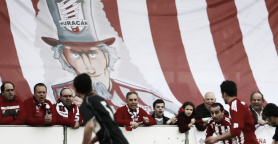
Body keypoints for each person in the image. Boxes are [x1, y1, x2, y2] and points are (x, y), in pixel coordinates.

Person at [41, 0, 178, 114]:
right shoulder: (61, 94)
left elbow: (180, 110)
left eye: (93, 53)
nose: (87, 63)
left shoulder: (140, 95)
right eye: (76, 54)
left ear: (106, 55)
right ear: (65, 59)